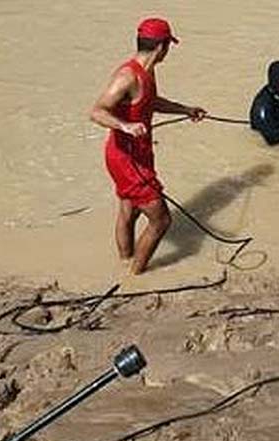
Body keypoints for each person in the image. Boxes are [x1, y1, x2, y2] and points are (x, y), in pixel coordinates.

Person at [90, 17, 206, 275]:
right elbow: (97, 111)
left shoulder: (147, 72)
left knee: (128, 212)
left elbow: (149, 102)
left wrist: (185, 109)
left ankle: (124, 262)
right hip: (127, 159)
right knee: (161, 220)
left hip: (136, 156)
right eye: (168, 46)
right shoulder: (127, 76)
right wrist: (125, 126)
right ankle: (136, 275)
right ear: (162, 47)